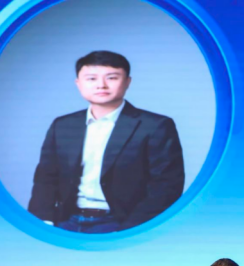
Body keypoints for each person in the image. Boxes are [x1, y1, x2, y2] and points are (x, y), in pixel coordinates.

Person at [28, 50, 184, 233]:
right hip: (66, 222)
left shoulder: (155, 126)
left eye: (112, 77)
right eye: (91, 78)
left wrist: (130, 231)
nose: (101, 85)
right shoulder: (63, 125)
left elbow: (166, 186)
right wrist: (43, 222)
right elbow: (45, 178)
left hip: (122, 224)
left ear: (127, 82)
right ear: (78, 84)